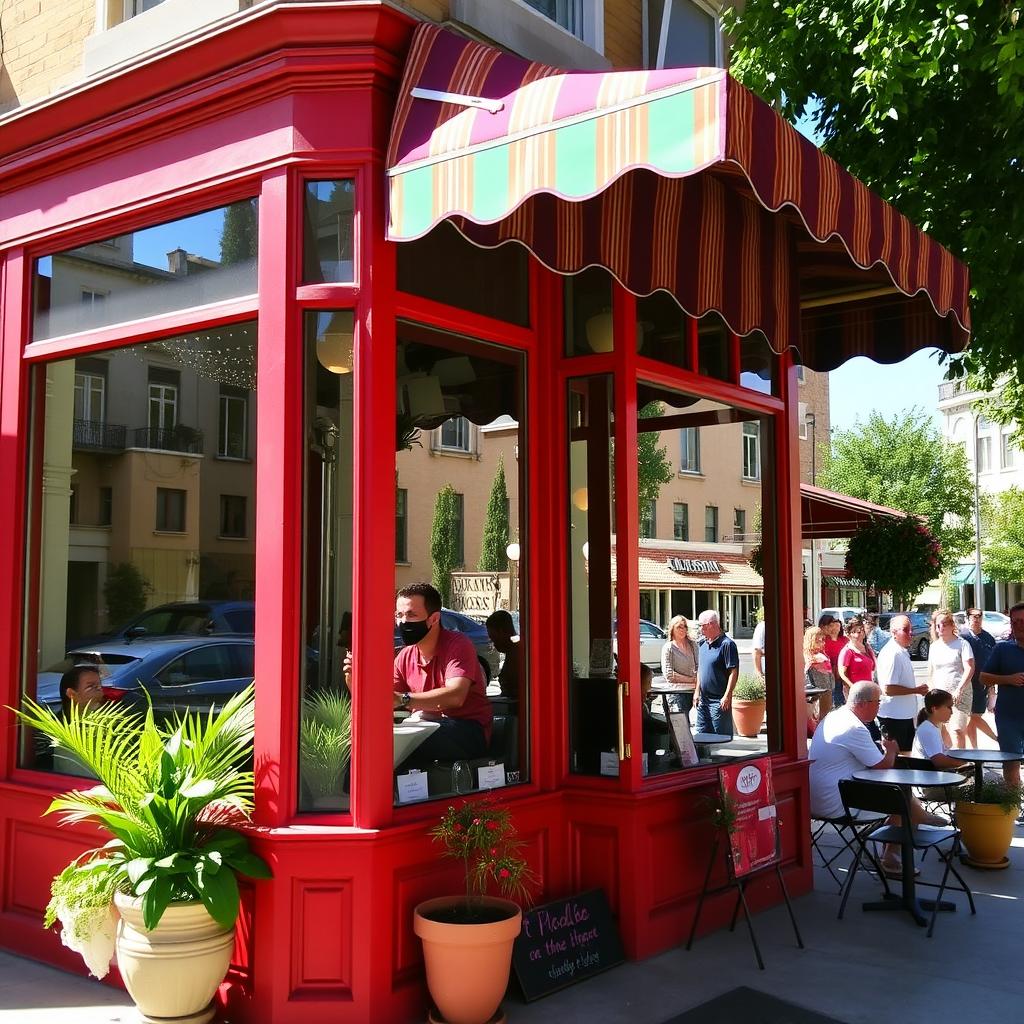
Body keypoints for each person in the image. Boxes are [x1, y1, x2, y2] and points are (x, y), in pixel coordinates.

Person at [809, 681, 944, 875]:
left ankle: (899, 835)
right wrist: (891, 750)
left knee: (899, 795)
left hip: (816, 799)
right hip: (838, 804)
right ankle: (891, 857)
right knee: (899, 800)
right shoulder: (855, 727)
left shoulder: (834, 717)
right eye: (877, 702)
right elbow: (882, 766)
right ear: (863, 703)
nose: (879, 706)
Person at [391, 582, 493, 769]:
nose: (403, 622)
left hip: (467, 730)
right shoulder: (405, 655)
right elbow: (387, 701)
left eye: (411, 615)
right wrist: (352, 680)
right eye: (399, 615)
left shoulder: (458, 645)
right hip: (424, 727)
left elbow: (456, 696)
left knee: (412, 744)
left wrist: (403, 699)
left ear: (434, 619)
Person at [980, 602, 1024, 796]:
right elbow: (983, 677)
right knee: (1011, 762)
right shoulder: (1003, 649)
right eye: (1015, 622)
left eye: (1023, 621)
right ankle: (1014, 805)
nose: (1019, 625)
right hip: (1008, 717)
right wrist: (1009, 679)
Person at [876, 613, 928, 753]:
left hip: (903, 716)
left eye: (910, 629)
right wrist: (915, 690)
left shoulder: (901, 651)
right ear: (894, 633)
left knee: (906, 757)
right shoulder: (892, 654)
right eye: (905, 629)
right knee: (896, 761)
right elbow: (888, 689)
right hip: (893, 717)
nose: (910, 633)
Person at [927, 610, 974, 750]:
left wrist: (959, 689)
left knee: (957, 729)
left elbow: (970, 668)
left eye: (944, 624)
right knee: (943, 730)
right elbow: (931, 673)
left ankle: (962, 763)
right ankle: (950, 762)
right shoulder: (934, 647)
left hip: (959, 694)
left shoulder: (962, 644)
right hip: (940, 695)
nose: (941, 627)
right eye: (938, 625)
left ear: (952, 625)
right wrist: (931, 693)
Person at [695, 609, 739, 736]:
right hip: (703, 700)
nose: (700, 630)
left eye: (702, 626)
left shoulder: (727, 645)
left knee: (720, 737)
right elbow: (700, 669)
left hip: (718, 701)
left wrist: (727, 695)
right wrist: (697, 691)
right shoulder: (702, 644)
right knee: (701, 736)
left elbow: (733, 671)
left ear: (712, 624)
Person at [960, 607, 998, 747]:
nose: (977, 619)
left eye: (979, 616)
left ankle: (974, 750)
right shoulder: (962, 636)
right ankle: (998, 740)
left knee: (974, 717)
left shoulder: (988, 638)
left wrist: (991, 687)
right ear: (967, 618)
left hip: (982, 684)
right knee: (973, 717)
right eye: (973, 616)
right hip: (966, 684)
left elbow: (994, 663)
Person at [912, 689, 973, 771]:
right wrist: (966, 764)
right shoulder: (928, 730)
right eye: (949, 707)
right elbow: (939, 760)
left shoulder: (932, 727)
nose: (951, 712)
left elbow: (946, 750)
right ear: (934, 709)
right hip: (928, 778)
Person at [660, 614, 698, 715]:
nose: (683, 629)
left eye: (684, 626)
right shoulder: (668, 648)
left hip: (694, 691)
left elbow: (699, 666)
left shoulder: (693, 645)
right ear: (672, 629)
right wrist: (692, 679)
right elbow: (669, 675)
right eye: (679, 627)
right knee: (680, 724)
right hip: (677, 693)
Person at [836, 616, 875, 706]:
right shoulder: (847, 651)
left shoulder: (867, 648)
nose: (859, 634)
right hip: (855, 695)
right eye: (854, 632)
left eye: (861, 630)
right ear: (848, 634)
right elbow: (842, 674)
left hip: (869, 691)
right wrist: (853, 688)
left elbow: (873, 669)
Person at [485, 609, 520, 701]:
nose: (493, 643)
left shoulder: (516, 656)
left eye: (494, 638)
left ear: (502, 632)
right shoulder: (513, 652)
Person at [803, 626, 834, 720]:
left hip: (825, 689)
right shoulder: (806, 656)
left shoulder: (822, 655)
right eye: (817, 641)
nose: (821, 643)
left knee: (824, 715)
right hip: (813, 692)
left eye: (822, 640)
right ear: (810, 641)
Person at [819, 614, 846, 706]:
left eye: (837, 625)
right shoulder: (822, 640)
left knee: (840, 697)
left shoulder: (844, 640)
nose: (833, 628)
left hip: (841, 673)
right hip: (827, 673)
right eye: (830, 625)